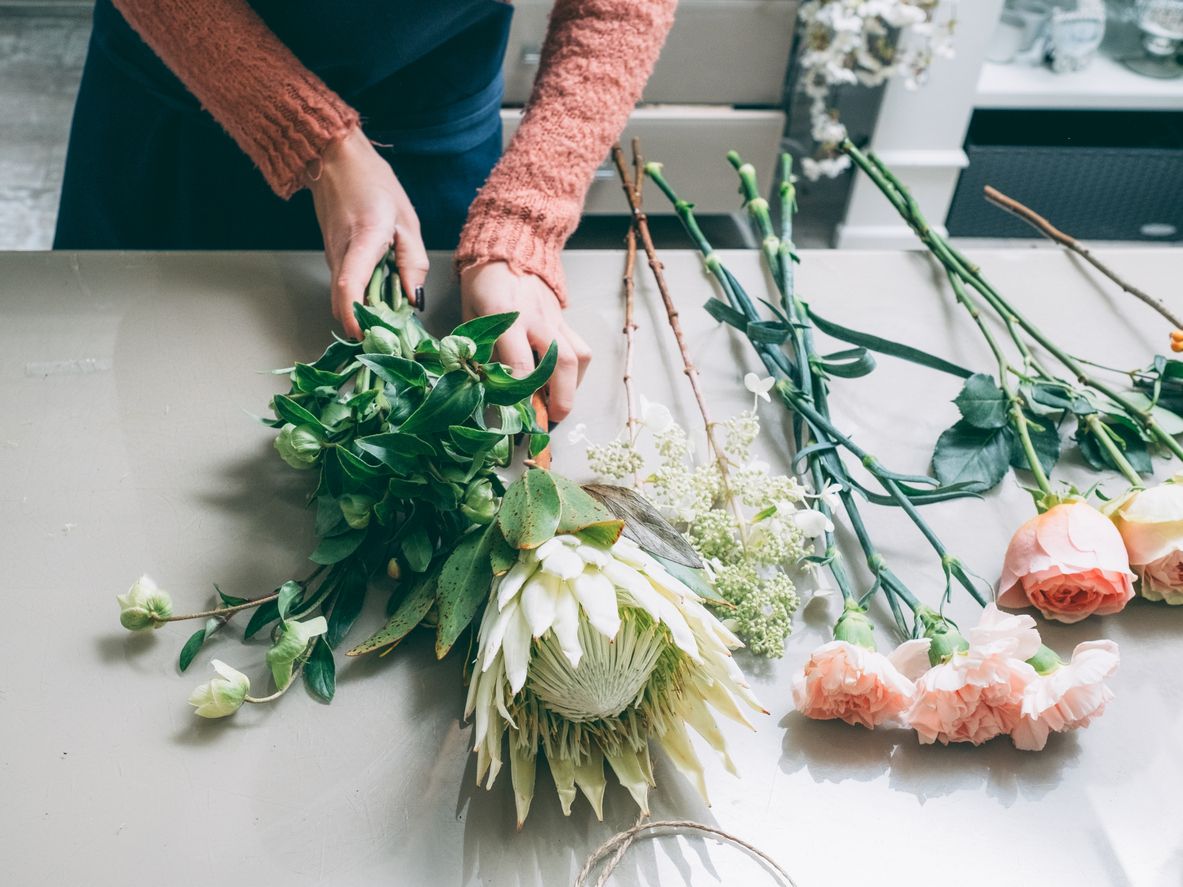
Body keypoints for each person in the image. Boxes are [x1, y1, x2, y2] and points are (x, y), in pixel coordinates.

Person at [54, 0, 678, 423]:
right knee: (157, 424)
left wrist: (523, 221)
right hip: (188, 102)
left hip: (434, 123)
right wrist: (312, 136)